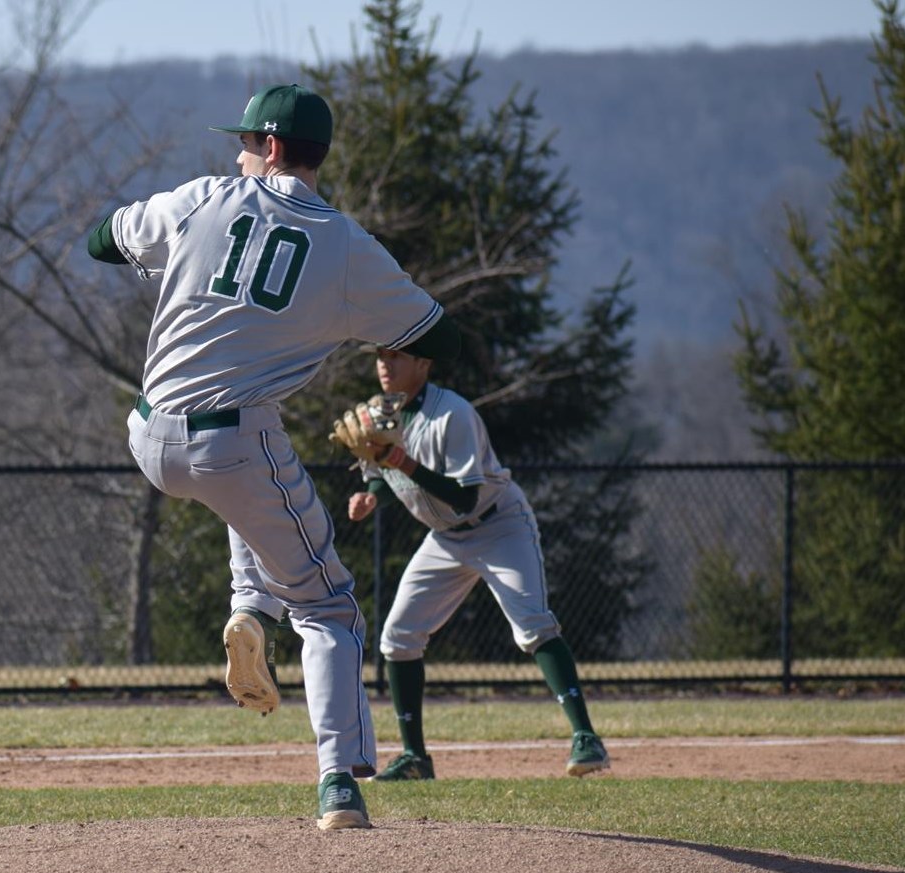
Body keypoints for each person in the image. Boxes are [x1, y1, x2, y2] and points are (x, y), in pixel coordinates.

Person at [85, 83, 480, 830]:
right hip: (231, 440)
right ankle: (339, 780)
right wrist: (364, 324)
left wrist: (170, 257)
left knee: (255, 488)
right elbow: (442, 338)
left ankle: (247, 610)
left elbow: (100, 238)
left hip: (148, 433)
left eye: (243, 140)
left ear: (268, 148)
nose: (234, 151)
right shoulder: (345, 246)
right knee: (329, 606)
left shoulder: (203, 196)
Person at [348, 347, 612, 780]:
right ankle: (416, 758)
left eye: (396, 356)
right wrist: (371, 494)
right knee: (398, 638)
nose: (383, 364)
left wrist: (401, 461)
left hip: (499, 525)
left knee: (532, 624)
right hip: (446, 538)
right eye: (379, 356)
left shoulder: (453, 414)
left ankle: (586, 738)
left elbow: (465, 495)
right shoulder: (377, 413)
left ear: (424, 363)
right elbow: (377, 469)